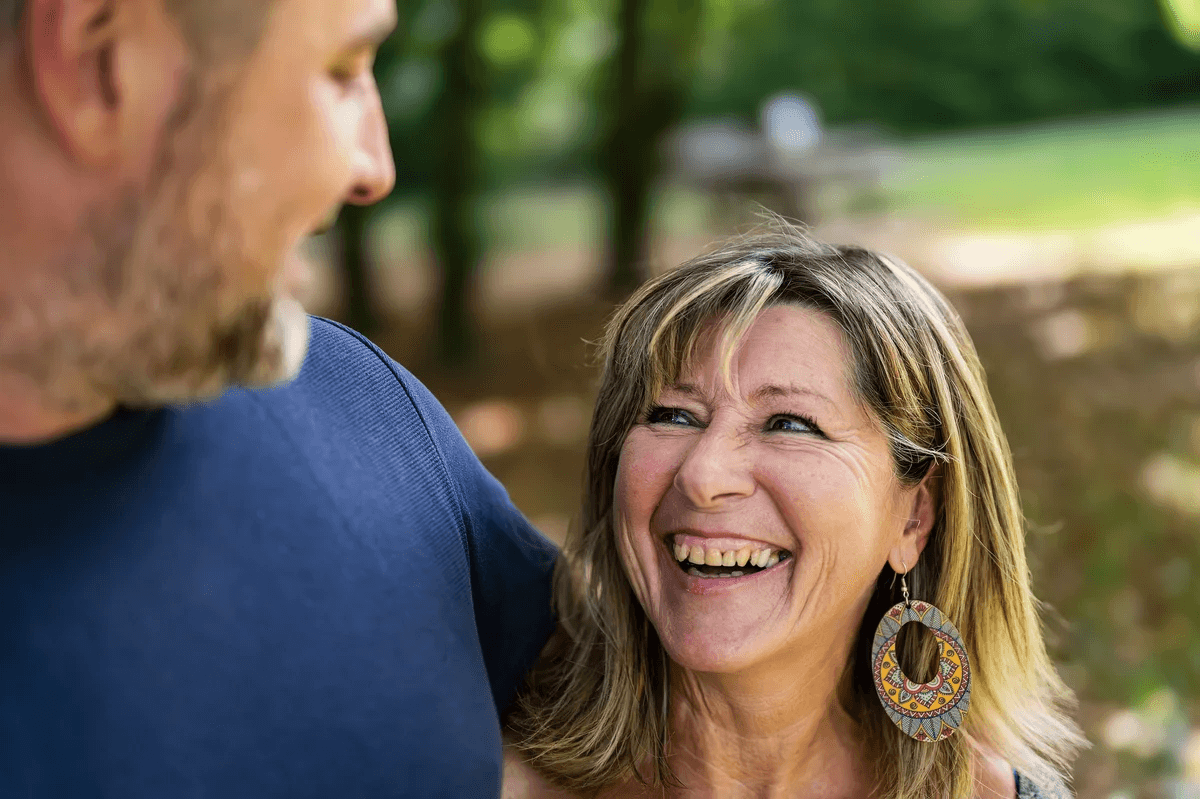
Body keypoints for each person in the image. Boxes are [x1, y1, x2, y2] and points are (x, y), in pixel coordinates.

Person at [0, 0, 556, 796]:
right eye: (340, 70)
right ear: (101, 62)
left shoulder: (366, 407)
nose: (374, 166)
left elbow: (647, 738)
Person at [503, 228, 1086, 798]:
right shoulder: (489, 778)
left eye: (790, 424)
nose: (703, 475)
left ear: (914, 518)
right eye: (674, 415)